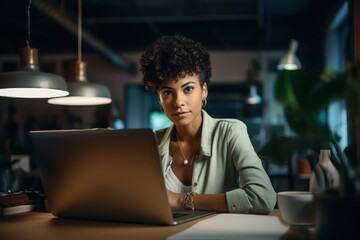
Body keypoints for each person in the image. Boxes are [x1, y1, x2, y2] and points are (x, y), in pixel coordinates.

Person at [139, 35, 276, 214]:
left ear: (203, 91)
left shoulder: (230, 132)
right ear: (159, 98)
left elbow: (263, 197)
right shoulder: (151, 142)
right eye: (167, 92)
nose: (179, 101)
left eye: (188, 89)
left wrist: (181, 200)